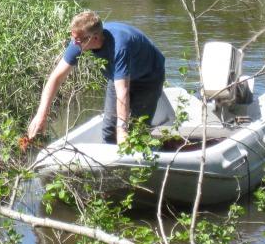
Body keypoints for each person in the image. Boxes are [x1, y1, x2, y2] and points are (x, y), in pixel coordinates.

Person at [28, 10, 165, 145]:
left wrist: (122, 130)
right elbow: (56, 78)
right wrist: (41, 115)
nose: (74, 43)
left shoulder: (119, 47)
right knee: (109, 130)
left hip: (148, 77)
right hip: (118, 76)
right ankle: (113, 166)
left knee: (138, 130)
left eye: (78, 40)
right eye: (73, 37)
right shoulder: (78, 41)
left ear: (94, 38)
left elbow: (122, 92)